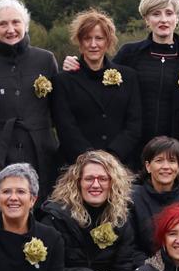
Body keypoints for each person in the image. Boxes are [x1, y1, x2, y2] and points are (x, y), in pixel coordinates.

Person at [0, 0, 68, 184]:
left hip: (41, 153)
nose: (10, 30)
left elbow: (59, 109)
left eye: (15, 22)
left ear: (25, 25)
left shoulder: (45, 59)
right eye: (3, 24)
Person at [111, 0, 179, 174]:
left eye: (169, 13)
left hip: (175, 157)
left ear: (177, 18)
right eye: (156, 14)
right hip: (132, 155)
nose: (163, 19)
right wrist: (77, 65)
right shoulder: (129, 54)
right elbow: (105, 90)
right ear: (146, 19)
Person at [56, 10, 142, 170]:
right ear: (80, 42)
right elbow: (66, 127)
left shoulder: (128, 77)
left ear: (108, 41)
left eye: (99, 38)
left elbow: (134, 124)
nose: (93, 44)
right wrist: (89, 159)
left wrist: (112, 155)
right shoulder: (63, 81)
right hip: (77, 166)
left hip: (120, 165)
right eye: (87, 38)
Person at [129, 136, 179, 250]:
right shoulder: (132, 198)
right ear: (148, 166)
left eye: (172, 161)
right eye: (159, 161)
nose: (166, 167)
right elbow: (128, 246)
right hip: (142, 265)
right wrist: (151, 266)